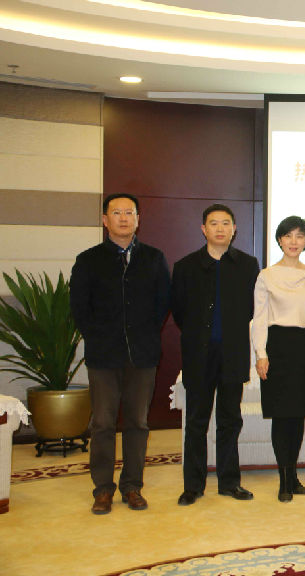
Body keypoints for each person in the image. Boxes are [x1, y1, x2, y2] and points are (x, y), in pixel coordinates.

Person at [70, 193, 170, 515]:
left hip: (142, 354)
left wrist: (144, 334)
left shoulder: (153, 258)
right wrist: (98, 336)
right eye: (117, 213)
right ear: (105, 220)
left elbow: (162, 303)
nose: (124, 218)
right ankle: (102, 489)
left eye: (130, 212)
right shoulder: (88, 260)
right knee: (102, 422)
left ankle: (132, 486)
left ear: (138, 219)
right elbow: (79, 307)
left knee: (138, 422)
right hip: (103, 355)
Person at [171, 204, 260, 505]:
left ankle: (229, 482)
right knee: (196, 421)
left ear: (234, 229)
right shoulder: (186, 266)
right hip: (198, 355)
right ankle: (193, 486)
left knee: (230, 420)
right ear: (203, 229)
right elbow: (179, 310)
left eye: (225, 223)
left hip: (233, 353)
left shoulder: (248, 265)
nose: (220, 228)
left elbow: (252, 308)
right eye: (213, 223)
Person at [250, 216, 305, 502]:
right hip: (277, 346)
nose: (294, 241)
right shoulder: (266, 275)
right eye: (288, 235)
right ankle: (283, 478)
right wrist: (261, 354)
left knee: (299, 413)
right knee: (281, 415)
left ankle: (293, 476)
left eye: (299, 236)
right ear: (279, 239)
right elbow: (259, 318)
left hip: (304, 346)